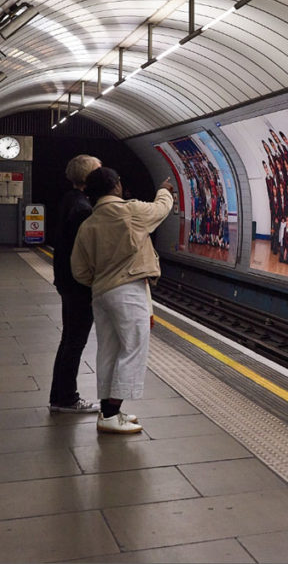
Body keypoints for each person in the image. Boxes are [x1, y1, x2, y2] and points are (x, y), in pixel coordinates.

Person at [71, 167, 174, 434]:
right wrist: (165, 190)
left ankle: (109, 412)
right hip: (128, 290)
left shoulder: (88, 224)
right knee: (133, 349)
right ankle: (110, 412)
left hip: (101, 293)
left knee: (109, 350)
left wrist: (101, 281)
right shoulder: (130, 211)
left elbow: (79, 270)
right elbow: (161, 209)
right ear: (116, 186)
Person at [49, 154, 103, 414]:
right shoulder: (83, 209)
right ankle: (67, 398)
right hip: (78, 285)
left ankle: (59, 396)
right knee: (74, 342)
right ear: (90, 176)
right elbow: (85, 252)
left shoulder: (70, 200)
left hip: (66, 281)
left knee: (68, 340)